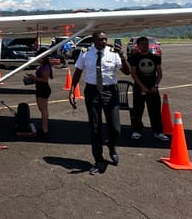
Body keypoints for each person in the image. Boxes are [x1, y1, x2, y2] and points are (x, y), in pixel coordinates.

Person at [69, 31, 130, 174]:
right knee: (95, 128)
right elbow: (78, 72)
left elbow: (127, 72)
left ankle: (111, 144)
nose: (104, 41)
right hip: (92, 92)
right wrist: (72, 90)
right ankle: (98, 160)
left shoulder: (114, 52)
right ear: (94, 40)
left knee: (115, 128)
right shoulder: (85, 53)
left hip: (109, 92)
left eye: (105, 39)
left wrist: (122, 55)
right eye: (101, 39)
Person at [128, 36, 168, 142]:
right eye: (142, 44)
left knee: (155, 111)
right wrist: (142, 87)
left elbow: (159, 73)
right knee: (138, 110)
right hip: (139, 88)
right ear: (138, 46)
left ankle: (158, 132)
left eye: (146, 44)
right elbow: (133, 74)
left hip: (152, 88)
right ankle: (137, 131)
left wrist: (155, 85)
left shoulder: (155, 57)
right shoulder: (134, 58)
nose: (145, 46)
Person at [25, 48, 53, 139]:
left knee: (43, 109)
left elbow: (45, 80)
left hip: (43, 89)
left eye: (39, 57)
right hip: (41, 88)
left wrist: (34, 78)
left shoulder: (46, 66)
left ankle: (45, 129)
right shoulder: (42, 66)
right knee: (42, 109)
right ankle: (44, 127)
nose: (37, 59)